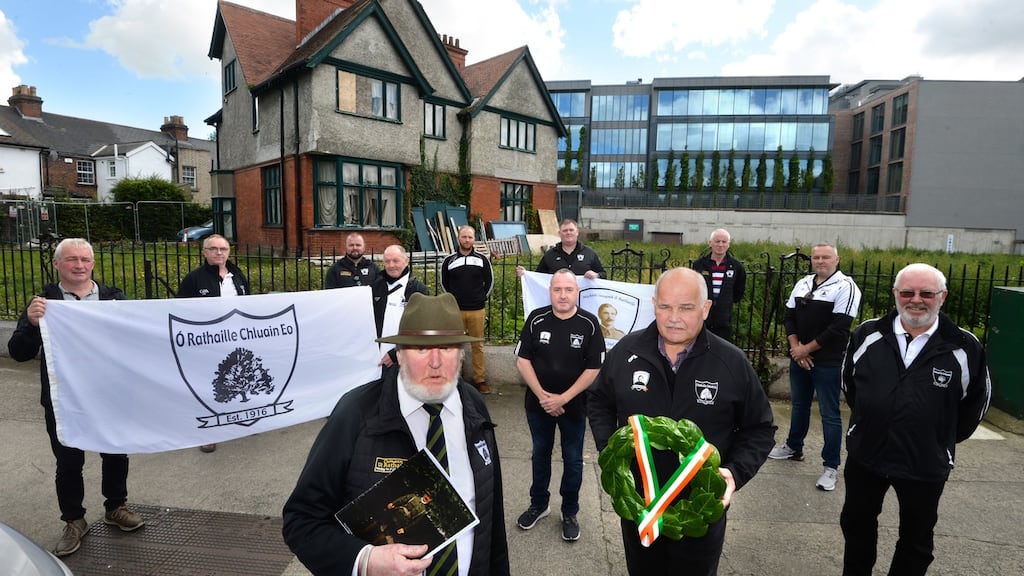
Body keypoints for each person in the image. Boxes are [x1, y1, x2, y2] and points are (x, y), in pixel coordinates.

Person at [282, 292, 510, 576]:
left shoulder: (474, 405)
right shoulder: (356, 413)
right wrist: (364, 561)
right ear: (399, 354)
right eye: (421, 349)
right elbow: (301, 521)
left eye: (448, 348)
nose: (436, 362)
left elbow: (492, 517)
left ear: (462, 352)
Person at [588, 267, 775, 575]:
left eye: (686, 307)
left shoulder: (731, 362)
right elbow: (598, 401)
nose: (673, 317)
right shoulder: (626, 351)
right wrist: (611, 449)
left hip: (701, 508)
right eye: (665, 306)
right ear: (654, 305)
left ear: (705, 308)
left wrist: (735, 472)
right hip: (639, 505)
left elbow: (760, 429)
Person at [839, 264, 991, 576]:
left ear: (942, 297)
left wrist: (939, 437)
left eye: (926, 293)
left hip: (924, 461)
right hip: (867, 454)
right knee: (856, 527)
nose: (916, 300)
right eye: (907, 292)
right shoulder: (868, 334)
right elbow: (850, 386)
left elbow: (976, 402)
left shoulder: (964, 346)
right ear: (895, 294)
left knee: (917, 539)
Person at [7, 238, 145, 557]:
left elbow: (136, 339)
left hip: (109, 393)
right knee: (69, 462)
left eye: (85, 259)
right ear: (57, 264)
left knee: (115, 452)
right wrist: (30, 323)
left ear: (93, 263)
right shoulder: (44, 302)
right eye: (71, 259)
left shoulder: (113, 299)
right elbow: (18, 353)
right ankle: (74, 520)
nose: (79, 265)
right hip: (64, 398)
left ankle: (116, 507)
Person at [514, 269, 606, 542]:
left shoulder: (589, 324)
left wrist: (562, 398)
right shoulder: (536, 319)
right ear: (550, 291)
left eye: (568, 289)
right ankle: (539, 504)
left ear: (577, 291)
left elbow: (594, 367)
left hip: (574, 407)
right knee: (540, 455)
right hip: (537, 404)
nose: (563, 295)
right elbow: (522, 360)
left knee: (573, 460)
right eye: (558, 289)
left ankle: (570, 511)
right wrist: (544, 396)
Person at [769, 243, 862, 492]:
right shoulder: (803, 283)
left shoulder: (846, 287)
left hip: (828, 362)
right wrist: (796, 348)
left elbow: (840, 327)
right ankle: (793, 447)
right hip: (799, 356)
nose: (820, 261)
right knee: (798, 405)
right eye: (816, 257)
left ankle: (831, 467)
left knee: (830, 414)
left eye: (826, 257)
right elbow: (789, 317)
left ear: (837, 259)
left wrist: (805, 350)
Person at [176, 233, 252, 453]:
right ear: (204, 252)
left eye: (223, 249)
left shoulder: (237, 275)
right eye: (214, 249)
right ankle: (208, 432)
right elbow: (181, 309)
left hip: (237, 336)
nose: (219, 253)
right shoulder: (194, 279)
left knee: (239, 377)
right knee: (208, 383)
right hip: (207, 340)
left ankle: (245, 419)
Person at [441, 225, 494, 394]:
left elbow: (490, 281)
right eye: (464, 237)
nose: (467, 240)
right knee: (455, 345)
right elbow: (444, 283)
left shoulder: (482, 259)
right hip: (455, 311)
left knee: (477, 345)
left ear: (474, 239)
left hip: (477, 310)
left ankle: (480, 380)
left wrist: (482, 298)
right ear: (458, 238)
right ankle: (455, 378)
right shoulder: (449, 260)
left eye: (470, 237)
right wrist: (451, 302)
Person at [372, 244, 429, 374]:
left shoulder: (418, 290)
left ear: (406, 260)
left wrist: (395, 353)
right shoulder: (376, 286)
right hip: (376, 359)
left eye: (396, 260)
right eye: (387, 261)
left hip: (405, 359)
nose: (391, 265)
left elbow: (421, 328)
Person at [691, 228, 746, 342]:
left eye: (724, 242)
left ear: (728, 244)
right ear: (710, 243)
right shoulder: (699, 265)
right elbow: (693, 288)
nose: (720, 245)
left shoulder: (737, 267)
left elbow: (738, 292)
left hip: (724, 319)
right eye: (717, 241)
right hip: (702, 318)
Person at [516, 218, 605, 279]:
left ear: (577, 232)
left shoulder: (589, 253)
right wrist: (526, 275)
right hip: (558, 303)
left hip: (583, 301)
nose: (568, 233)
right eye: (565, 230)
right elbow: (539, 277)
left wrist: (597, 275)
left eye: (571, 230)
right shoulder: (550, 255)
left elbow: (603, 275)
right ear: (559, 233)